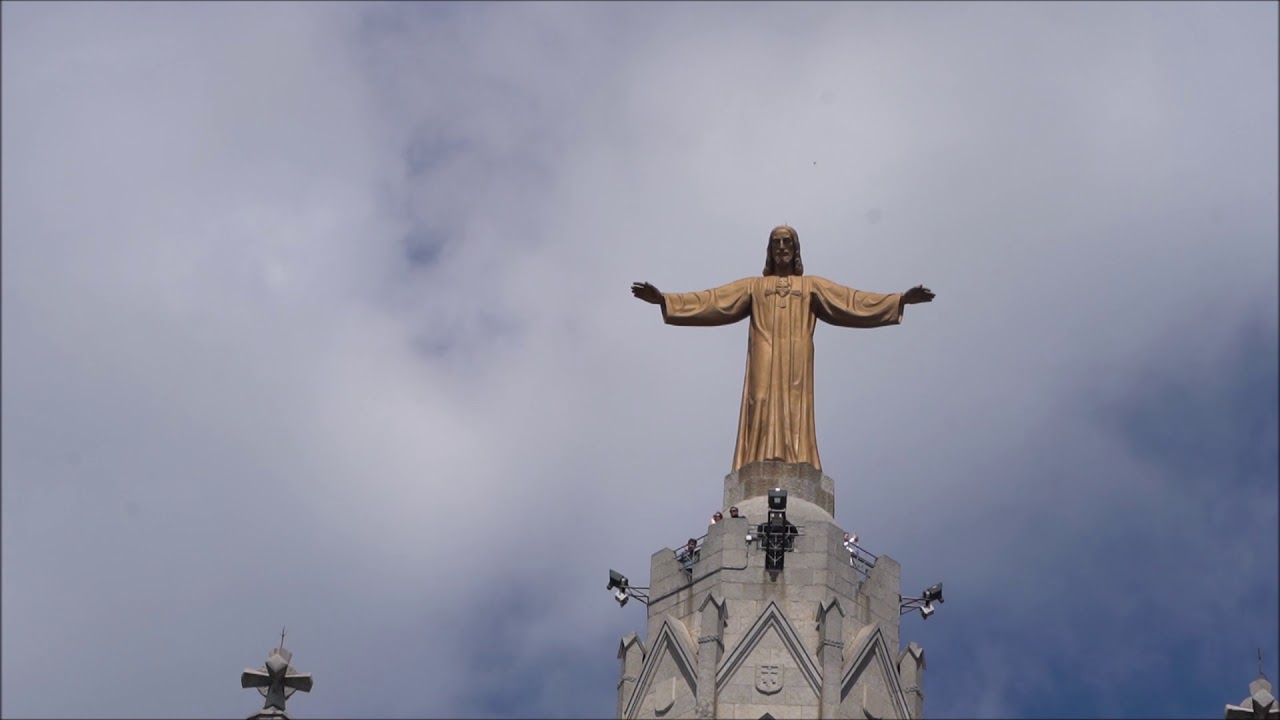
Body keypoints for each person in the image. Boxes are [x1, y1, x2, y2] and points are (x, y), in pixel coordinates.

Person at [632, 226, 934, 472]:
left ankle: (799, 459)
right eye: (775, 242)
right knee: (759, 398)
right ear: (769, 250)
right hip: (763, 351)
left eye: (787, 242)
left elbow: (852, 301)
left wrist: (899, 300)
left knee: (795, 403)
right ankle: (755, 460)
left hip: (797, 355)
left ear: (796, 249)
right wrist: (666, 300)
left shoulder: (811, 286)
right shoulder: (754, 286)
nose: (781, 247)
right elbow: (713, 300)